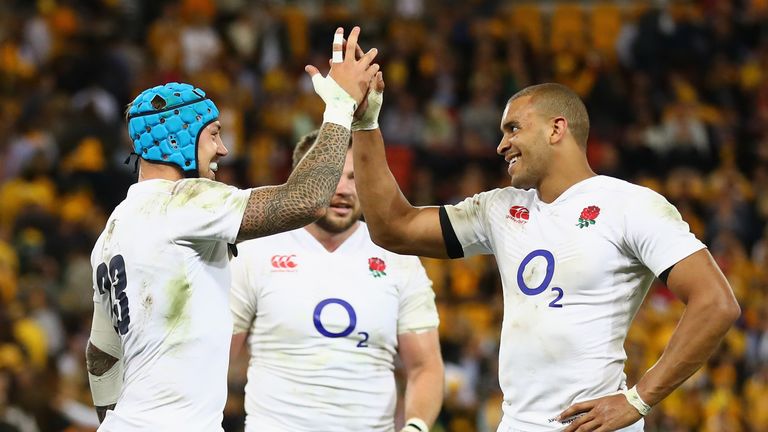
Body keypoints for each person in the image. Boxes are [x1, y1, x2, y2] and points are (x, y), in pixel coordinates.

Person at [351, 78, 741, 431]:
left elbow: (716, 302)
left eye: (513, 128)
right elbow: (392, 227)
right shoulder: (499, 208)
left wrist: (637, 400)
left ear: (557, 129)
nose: (501, 144)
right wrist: (365, 123)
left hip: (592, 426)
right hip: (516, 423)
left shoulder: (631, 206)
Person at [85, 26, 380, 431]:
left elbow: (101, 356)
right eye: (213, 135)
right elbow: (307, 200)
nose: (223, 150)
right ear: (177, 141)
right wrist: (340, 107)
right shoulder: (185, 202)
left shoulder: (110, 234)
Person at [228, 129, 444, 432]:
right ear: (302, 180)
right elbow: (217, 356)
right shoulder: (257, 251)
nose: (343, 189)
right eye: (331, 177)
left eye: (355, 177)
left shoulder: (399, 258)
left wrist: (415, 427)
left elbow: (426, 366)